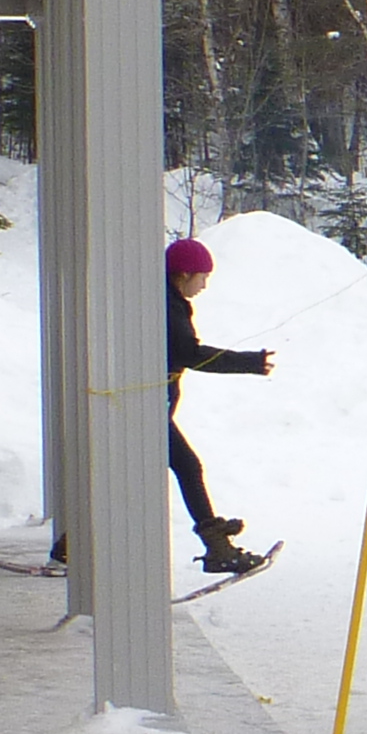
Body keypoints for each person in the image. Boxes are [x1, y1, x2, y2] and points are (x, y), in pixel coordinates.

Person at [158, 236, 275, 581]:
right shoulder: (168, 305)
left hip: (149, 407)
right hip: (144, 410)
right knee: (187, 467)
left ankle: (217, 547)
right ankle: (217, 549)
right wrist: (248, 362)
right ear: (183, 274)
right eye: (202, 276)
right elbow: (189, 354)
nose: (205, 285)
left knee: (182, 468)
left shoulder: (167, 300)